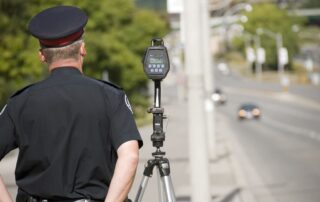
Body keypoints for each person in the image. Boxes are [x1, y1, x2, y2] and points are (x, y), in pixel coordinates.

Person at [0, 5, 143, 202]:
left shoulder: (20, 102)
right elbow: (130, 156)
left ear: (42, 56)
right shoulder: (110, 96)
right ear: (82, 49)